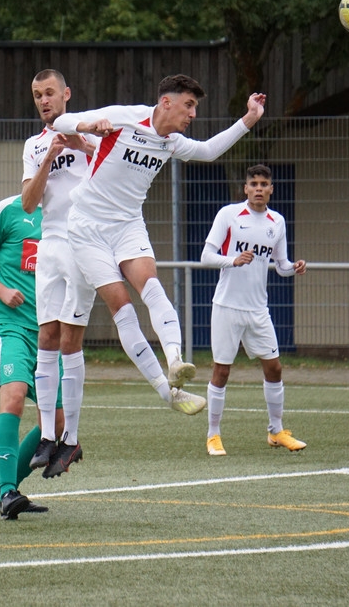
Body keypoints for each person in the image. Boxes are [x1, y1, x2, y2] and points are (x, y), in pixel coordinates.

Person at [52, 74, 266, 415]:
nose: (193, 114)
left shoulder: (173, 142)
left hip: (129, 225)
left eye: (195, 107)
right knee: (122, 306)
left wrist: (249, 119)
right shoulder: (127, 116)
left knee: (152, 287)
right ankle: (168, 393)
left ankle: (176, 361)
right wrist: (89, 124)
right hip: (86, 226)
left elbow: (209, 151)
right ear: (166, 102)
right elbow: (59, 121)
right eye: (189, 105)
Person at [20, 69, 97, 480]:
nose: (44, 100)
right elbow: (29, 204)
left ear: (66, 93)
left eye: (50, 92)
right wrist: (49, 155)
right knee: (46, 337)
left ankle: (72, 438)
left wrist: (80, 142)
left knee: (70, 339)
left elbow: (107, 175)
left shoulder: (88, 135)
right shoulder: (34, 145)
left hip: (82, 243)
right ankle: (49, 435)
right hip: (49, 244)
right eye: (37, 95)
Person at [199, 164, 307, 456]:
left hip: (258, 309)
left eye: (264, 184)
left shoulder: (277, 221)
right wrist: (232, 260)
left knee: (274, 367)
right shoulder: (229, 215)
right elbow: (206, 256)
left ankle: (276, 431)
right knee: (221, 371)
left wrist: (293, 268)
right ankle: (213, 435)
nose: (259, 188)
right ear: (245, 189)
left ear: (271, 189)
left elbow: (280, 265)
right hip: (227, 306)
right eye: (254, 184)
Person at [0, 195, 55, 519]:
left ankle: (4, 489)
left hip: (53, 328)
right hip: (12, 324)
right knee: (14, 398)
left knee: (57, 423)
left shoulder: (74, 210)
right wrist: (2, 290)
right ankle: (7, 493)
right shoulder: (8, 210)